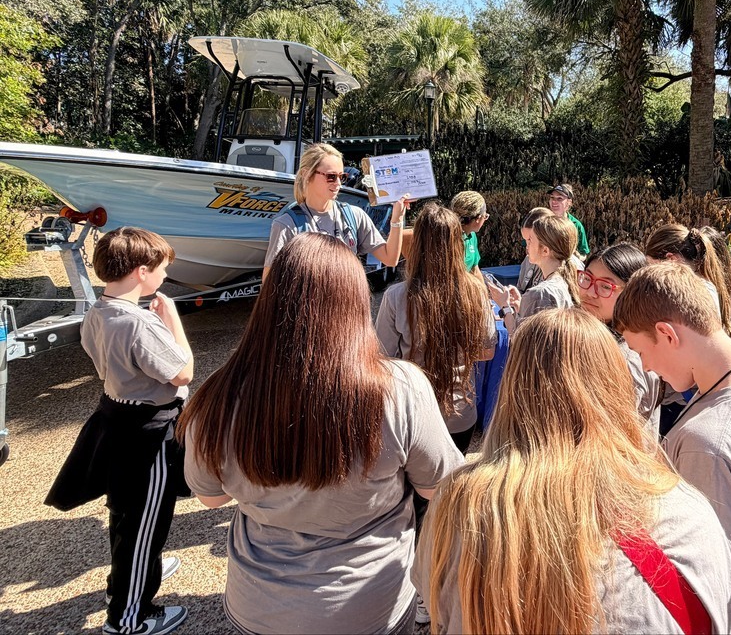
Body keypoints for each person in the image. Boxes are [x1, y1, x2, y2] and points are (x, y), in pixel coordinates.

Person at [180, 233, 464, 635]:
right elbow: (442, 486)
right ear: (357, 303)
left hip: (261, 606)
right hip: (371, 604)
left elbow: (211, 496)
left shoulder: (219, 396)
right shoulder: (401, 389)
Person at [413, 308, 731, 634]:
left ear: (513, 386)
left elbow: (435, 599)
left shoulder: (461, 502)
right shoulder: (688, 509)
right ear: (616, 388)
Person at [614, 262, 731, 633]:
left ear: (667, 334)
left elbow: (700, 581)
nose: (646, 366)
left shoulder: (707, 446)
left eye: (641, 351)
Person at [45, 227, 193, 635]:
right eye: (162, 268)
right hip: (148, 435)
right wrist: (173, 319)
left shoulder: (97, 311)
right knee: (146, 524)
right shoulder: (141, 323)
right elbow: (183, 371)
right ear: (142, 271)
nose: (165, 275)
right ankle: (130, 617)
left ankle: (132, 577)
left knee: (127, 515)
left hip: (114, 420)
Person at [375, 202, 497, 453]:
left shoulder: (397, 296)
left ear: (417, 243)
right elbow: (487, 352)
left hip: (412, 412)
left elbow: (382, 358)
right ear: (457, 244)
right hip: (460, 412)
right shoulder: (475, 292)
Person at [263, 142, 409, 277]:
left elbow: (390, 259)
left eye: (342, 177)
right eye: (331, 177)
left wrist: (397, 219)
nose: (338, 183)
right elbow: (270, 283)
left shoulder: (355, 215)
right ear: (306, 175)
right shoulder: (287, 225)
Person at [579, 243, 661, 436]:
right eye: (587, 278)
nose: (590, 292)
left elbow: (618, 436)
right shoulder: (592, 339)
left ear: (632, 293)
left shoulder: (629, 357)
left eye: (605, 286)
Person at [644, 224, 731, 350]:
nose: (649, 275)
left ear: (671, 260)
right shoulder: (706, 286)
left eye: (651, 266)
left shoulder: (689, 295)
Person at [489, 213, 579, 334]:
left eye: (530, 240)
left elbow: (518, 339)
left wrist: (504, 306)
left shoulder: (540, 293)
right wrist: (523, 306)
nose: (527, 246)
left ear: (545, 250)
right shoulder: (567, 282)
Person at [450, 190, 489, 287]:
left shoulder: (472, 236)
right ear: (478, 218)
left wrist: (484, 295)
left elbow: (474, 270)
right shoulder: (450, 237)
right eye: (485, 216)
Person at [516, 206, 554, 293]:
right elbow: (521, 289)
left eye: (530, 240)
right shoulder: (528, 260)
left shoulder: (563, 269)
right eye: (525, 241)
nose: (527, 247)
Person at [547, 183, 590, 257]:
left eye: (559, 198)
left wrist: (576, 256)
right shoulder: (542, 221)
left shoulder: (576, 225)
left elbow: (583, 253)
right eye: (552, 197)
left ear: (569, 202)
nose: (554, 201)